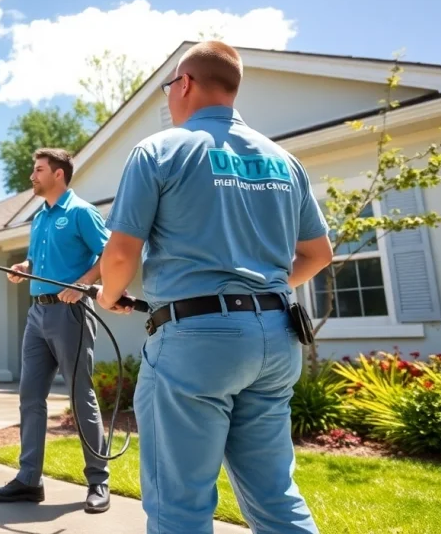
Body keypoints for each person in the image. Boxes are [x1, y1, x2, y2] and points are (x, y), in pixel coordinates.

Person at [95, 40, 332, 533]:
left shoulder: (160, 150)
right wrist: (257, 297)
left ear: (184, 84)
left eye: (169, 87)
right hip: (276, 336)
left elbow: (120, 254)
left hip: (197, 345)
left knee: (179, 506)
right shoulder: (284, 161)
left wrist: (109, 293)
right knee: (275, 495)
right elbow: (317, 255)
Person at [0, 147, 119, 514]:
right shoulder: (40, 218)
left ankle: (98, 480)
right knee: (30, 398)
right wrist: (24, 265)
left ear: (58, 174)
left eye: (38, 169)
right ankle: (29, 480)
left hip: (70, 315)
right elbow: (41, 260)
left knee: (80, 398)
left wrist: (81, 284)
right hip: (37, 316)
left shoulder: (81, 212)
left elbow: (110, 256)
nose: (32, 176)